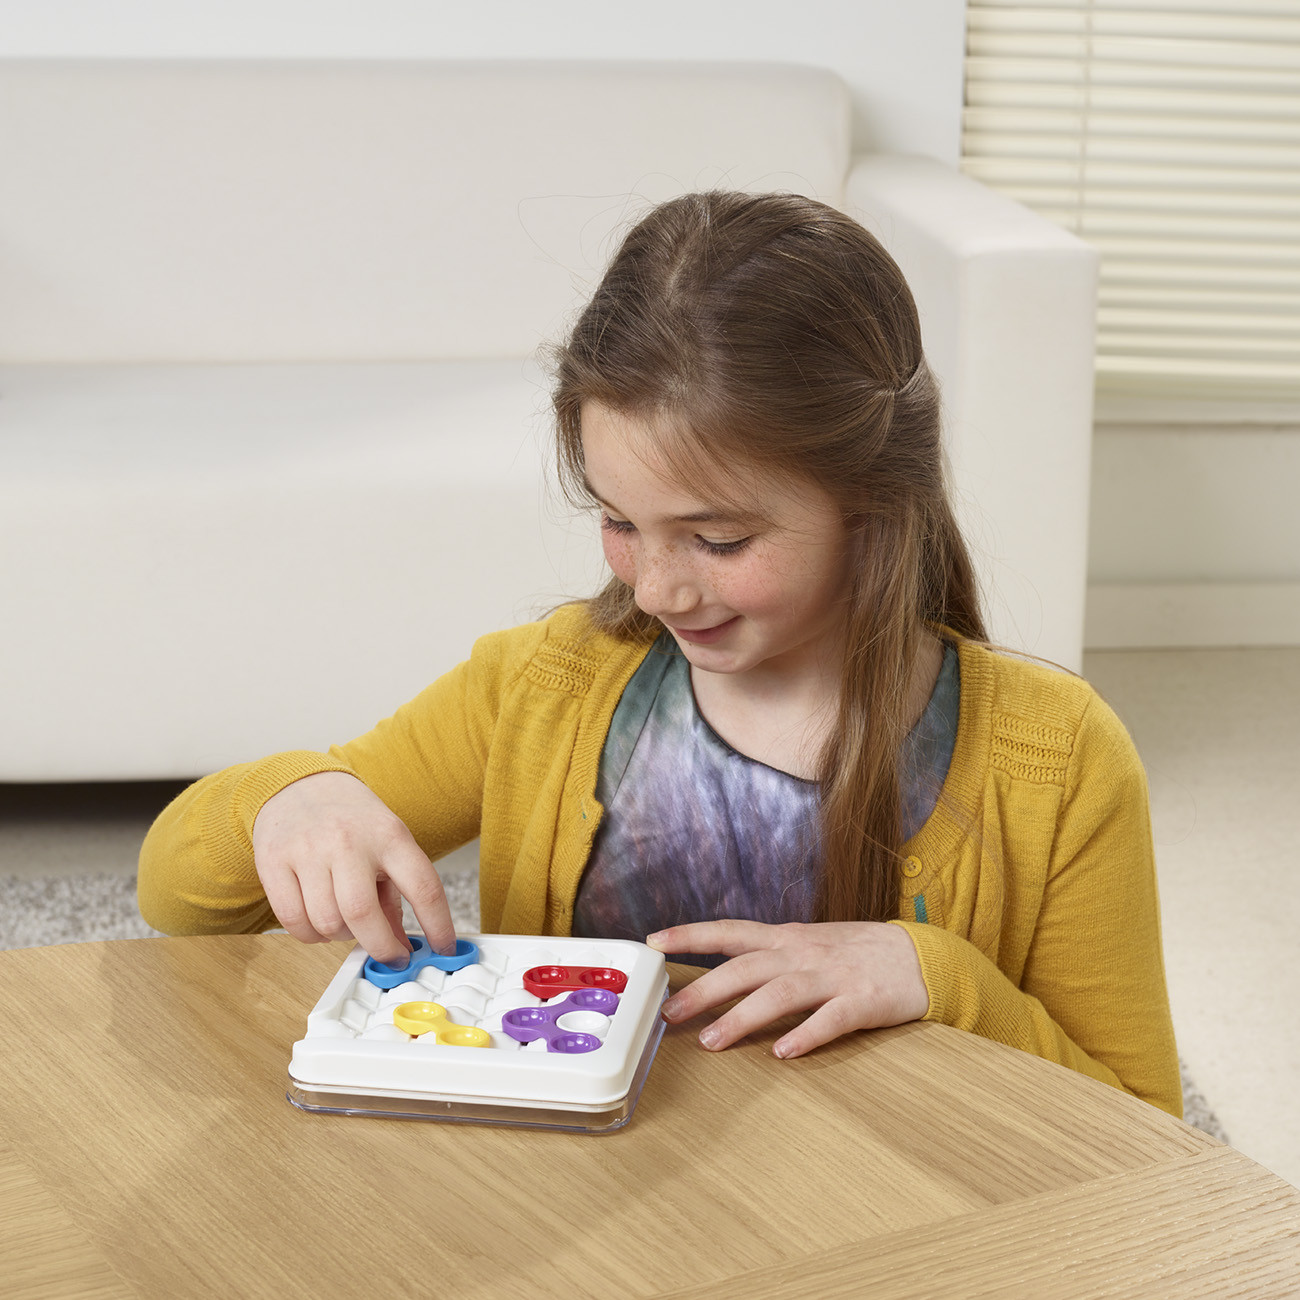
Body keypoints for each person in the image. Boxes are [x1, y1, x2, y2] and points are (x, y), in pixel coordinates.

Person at [138, 190, 1182, 1117]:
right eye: (618, 521)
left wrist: (937, 978)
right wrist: (289, 799)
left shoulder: (1056, 757)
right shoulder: (544, 686)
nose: (653, 590)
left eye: (717, 540)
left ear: (873, 508)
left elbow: (1142, 1137)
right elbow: (177, 897)